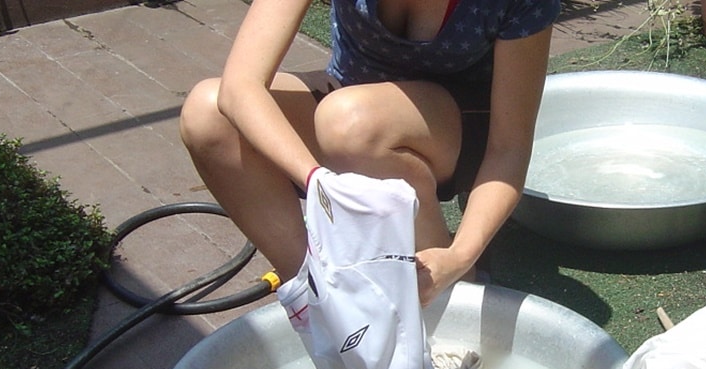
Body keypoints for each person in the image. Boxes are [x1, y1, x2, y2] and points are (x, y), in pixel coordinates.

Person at [179, 0, 561, 307]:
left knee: (351, 124)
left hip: (458, 134)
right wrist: (316, 179)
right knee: (208, 114)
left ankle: (446, 294)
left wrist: (462, 255)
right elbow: (239, 87)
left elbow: (508, 148)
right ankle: (324, 300)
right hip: (350, 110)